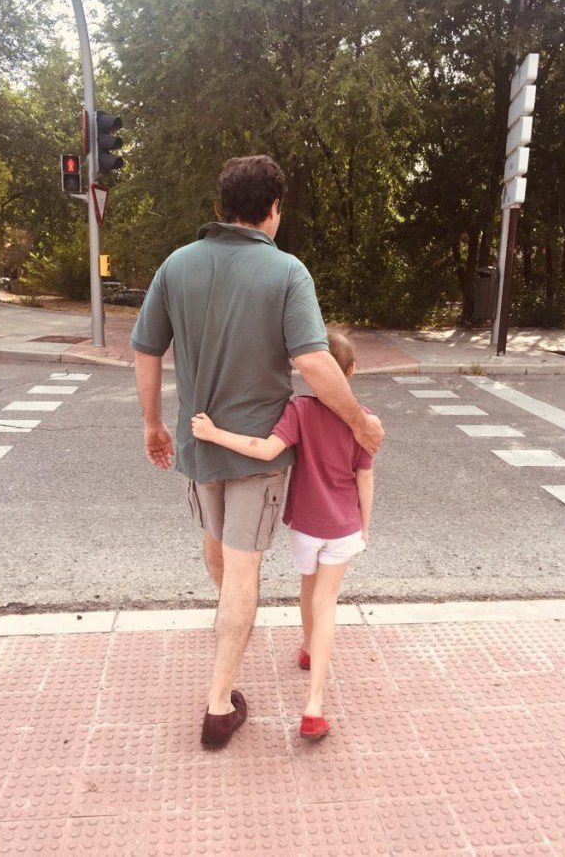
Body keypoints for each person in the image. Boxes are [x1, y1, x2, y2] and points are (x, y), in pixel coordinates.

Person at [130, 155, 383, 749]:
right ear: (273, 209)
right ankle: (219, 704)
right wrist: (360, 423)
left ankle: (229, 627)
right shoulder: (287, 271)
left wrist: (153, 424)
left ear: (223, 208)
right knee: (243, 565)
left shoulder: (176, 265)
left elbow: (146, 350)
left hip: (198, 443)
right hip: (258, 453)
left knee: (216, 544)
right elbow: (314, 361)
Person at [191, 330, 373, 740]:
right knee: (327, 602)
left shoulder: (300, 410)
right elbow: (365, 477)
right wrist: (365, 526)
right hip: (344, 526)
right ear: (351, 371)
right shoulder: (363, 419)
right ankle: (313, 706)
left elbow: (265, 450)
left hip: (306, 526)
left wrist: (214, 434)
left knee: (308, 592)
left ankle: (307, 647)